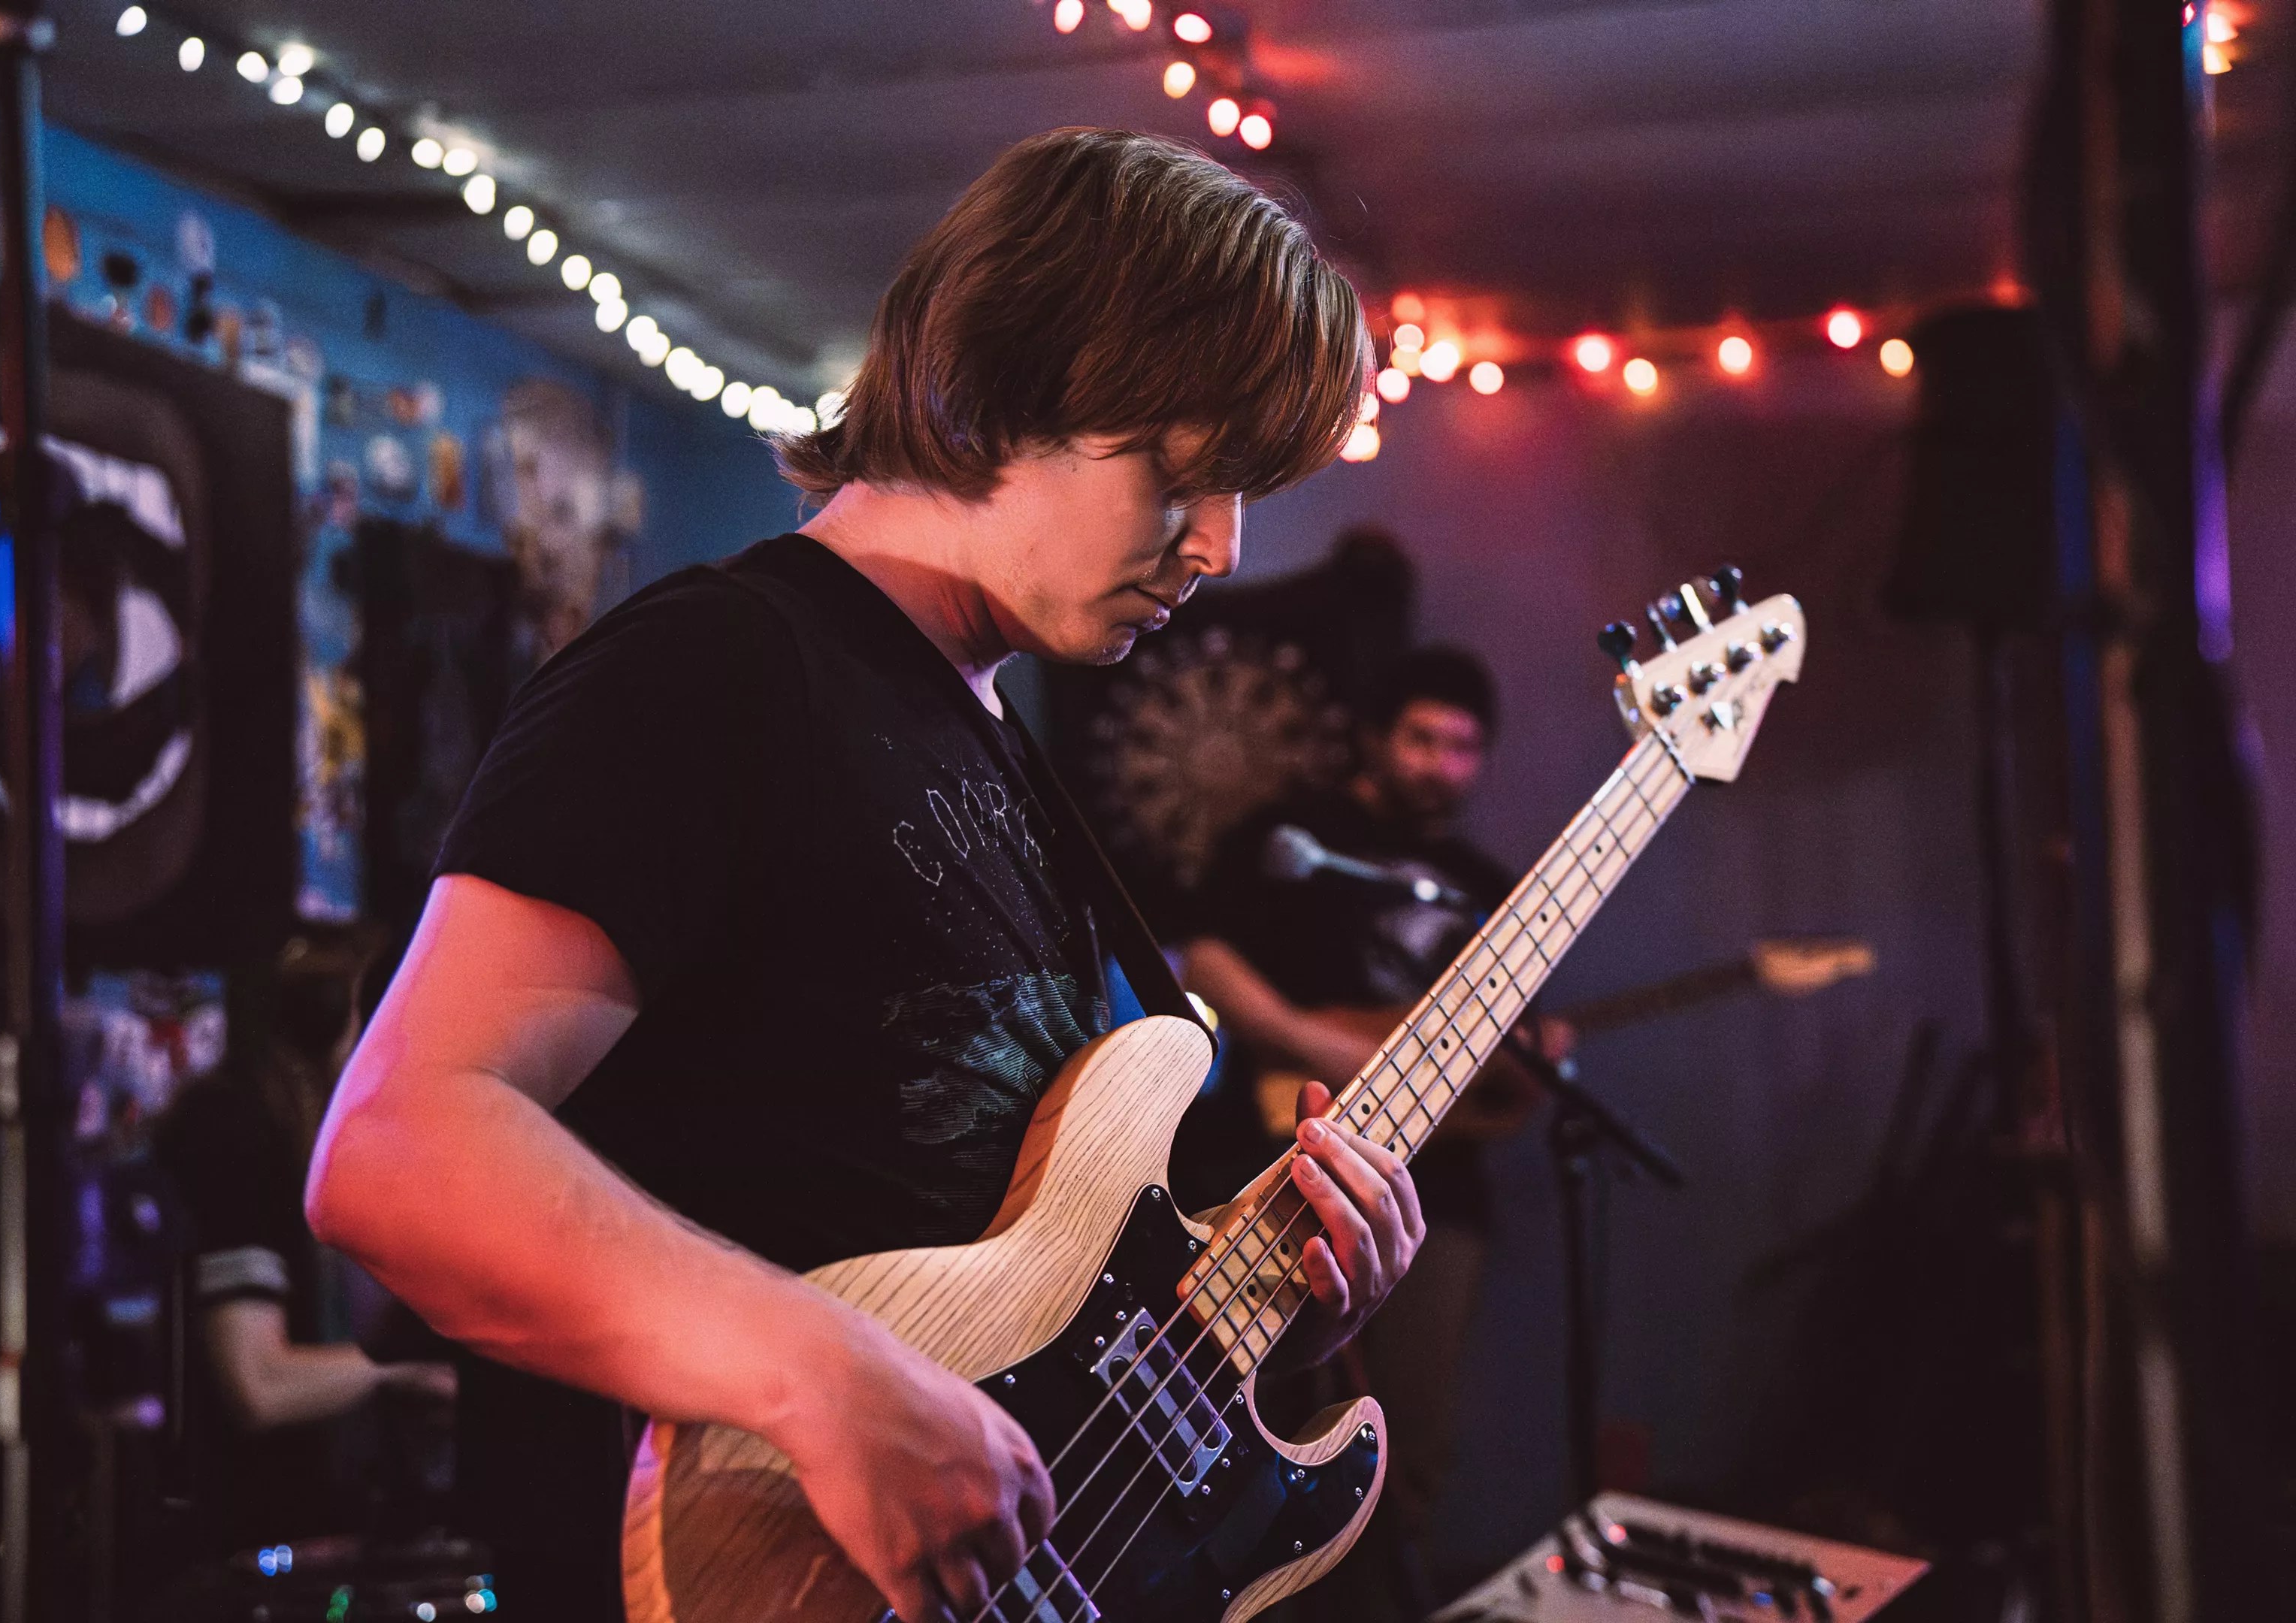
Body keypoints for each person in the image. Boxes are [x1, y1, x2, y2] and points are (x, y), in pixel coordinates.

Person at [306, 128, 1425, 1623]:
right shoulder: (718, 667)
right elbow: (395, 1151)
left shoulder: (996, 738)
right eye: (1187, 474)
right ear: (1019, 383)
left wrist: (1269, 1311)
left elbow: (995, 1274)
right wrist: (820, 1372)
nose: (1221, 546)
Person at [1181, 645, 1572, 1619]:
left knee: (1411, 1442)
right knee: (1243, 1424)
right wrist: (1328, 1045)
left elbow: (1504, 1085)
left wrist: (1536, 1064)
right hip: (1279, 1163)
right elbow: (1206, 960)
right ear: (1374, 738)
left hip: (1437, 1195)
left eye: (1463, 747)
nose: (1440, 765)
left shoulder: (1484, 889)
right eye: (1421, 739)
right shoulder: (1293, 839)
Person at [153, 932, 456, 1558]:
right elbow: (257, 1383)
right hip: (241, 1540)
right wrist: (406, 1367)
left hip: (316, 1522)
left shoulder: (296, 1133)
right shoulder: (234, 1136)